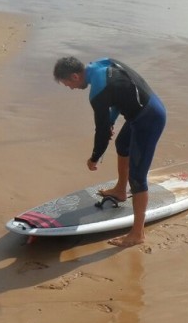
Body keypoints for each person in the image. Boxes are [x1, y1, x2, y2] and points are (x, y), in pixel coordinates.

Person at [53, 56, 167, 248]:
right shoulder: (103, 64)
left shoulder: (97, 92)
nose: (70, 89)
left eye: (68, 85)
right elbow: (116, 95)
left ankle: (137, 233)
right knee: (122, 144)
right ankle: (121, 190)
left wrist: (94, 158)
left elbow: (102, 130)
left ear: (74, 76)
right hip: (142, 112)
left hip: (149, 119)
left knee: (138, 177)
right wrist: (111, 121)